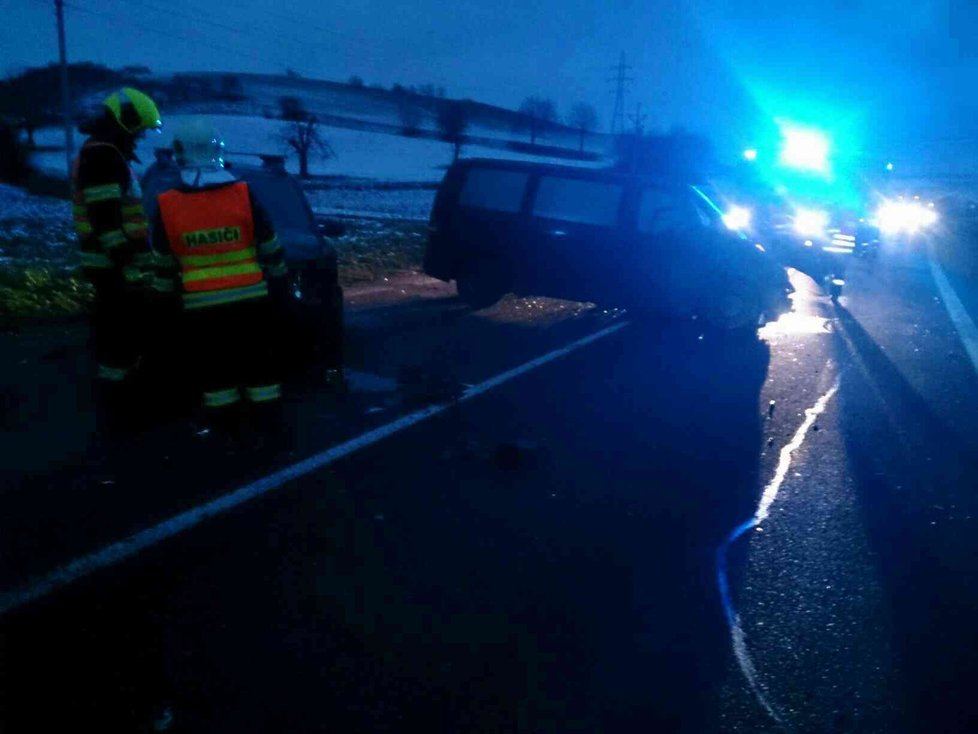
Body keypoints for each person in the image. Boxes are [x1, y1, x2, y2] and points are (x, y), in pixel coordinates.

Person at [150, 118, 288, 436]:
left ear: (180, 152)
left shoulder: (167, 204)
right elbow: (271, 245)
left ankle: (226, 432)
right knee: (260, 369)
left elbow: (163, 265)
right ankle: (269, 428)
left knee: (216, 372)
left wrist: (162, 302)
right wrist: (279, 283)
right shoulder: (243, 193)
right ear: (217, 150)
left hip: (202, 310)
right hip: (251, 303)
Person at [71, 87, 161, 429]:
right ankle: (121, 407)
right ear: (125, 122)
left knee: (116, 334)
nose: (140, 138)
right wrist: (129, 268)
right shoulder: (103, 157)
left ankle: (118, 400)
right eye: (139, 130)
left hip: (110, 266)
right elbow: (106, 221)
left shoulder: (102, 153)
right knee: (120, 337)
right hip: (114, 267)